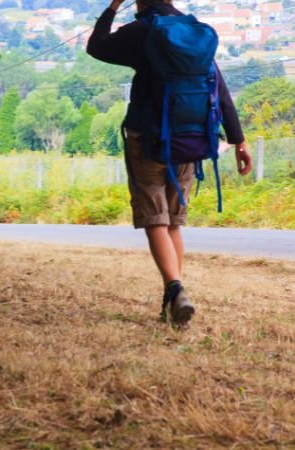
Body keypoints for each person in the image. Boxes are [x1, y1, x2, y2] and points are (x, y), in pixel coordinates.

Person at [87, 0, 252, 326]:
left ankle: (175, 288)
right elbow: (218, 86)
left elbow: (96, 46)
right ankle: (172, 298)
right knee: (174, 221)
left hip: (147, 139)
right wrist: (238, 139)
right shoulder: (196, 33)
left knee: (155, 217)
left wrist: (112, 7)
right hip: (189, 139)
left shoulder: (143, 31)